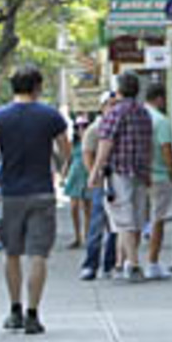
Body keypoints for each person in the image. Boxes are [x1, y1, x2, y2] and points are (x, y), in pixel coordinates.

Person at [0, 65, 70, 335]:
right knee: (38, 254)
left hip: (10, 193)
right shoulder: (51, 117)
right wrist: (61, 174)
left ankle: (14, 309)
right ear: (37, 87)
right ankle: (33, 313)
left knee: (12, 253)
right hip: (42, 191)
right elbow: (66, 151)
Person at [91, 72, 152, 282]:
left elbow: (105, 143)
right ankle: (123, 263)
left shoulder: (115, 113)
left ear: (119, 90)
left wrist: (95, 171)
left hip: (119, 171)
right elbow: (149, 145)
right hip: (140, 171)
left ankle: (133, 264)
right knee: (135, 219)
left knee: (123, 219)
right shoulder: (144, 113)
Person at [80, 91, 118, 281]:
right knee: (97, 224)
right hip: (102, 182)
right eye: (110, 104)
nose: (113, 108)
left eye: (116, 104)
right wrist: (94, 177)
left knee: (116, 227)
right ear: (102, 107)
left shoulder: (120, 126)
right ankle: (90, 264)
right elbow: (87, 155)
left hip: (118, 180)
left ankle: (110, 263)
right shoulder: (95, 129)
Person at [143, 83, 172, 280]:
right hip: (160, 176)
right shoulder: (161, 121)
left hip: (140, 175)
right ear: (160, 99)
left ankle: (129, 259)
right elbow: (167, 150)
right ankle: (153, 261)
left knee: (136, 219)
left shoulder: (139, 117)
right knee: (158, 220)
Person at [63, 114, 94, 248]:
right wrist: (64, 172)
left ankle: (88, 236)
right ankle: (77, 236)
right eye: (79, 126)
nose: (82, 129)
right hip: (75, 175)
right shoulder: (73, 143)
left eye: (85, 126)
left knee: (88, 207)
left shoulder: (92, 140)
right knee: (74, 207)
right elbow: (68, 158)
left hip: (87, 173)